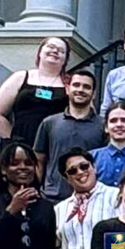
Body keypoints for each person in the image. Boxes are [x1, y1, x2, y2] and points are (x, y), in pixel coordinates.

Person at [34, 70, 105, 201]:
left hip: (90, 198)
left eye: (86, 87)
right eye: (76, 85)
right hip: (52, 198)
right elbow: (39, 160)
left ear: (94, 94)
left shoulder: (103, 125)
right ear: (67, 89)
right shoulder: (49, 123)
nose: (81, 90)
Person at [0, 37, 69, 146]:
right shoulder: (20, 77)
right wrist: (13, 140)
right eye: (51, 47)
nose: (55, 51)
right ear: (40, 52)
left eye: (61, 51)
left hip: (54, 147)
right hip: (20, 145)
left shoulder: (70, 84)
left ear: (65, 60)